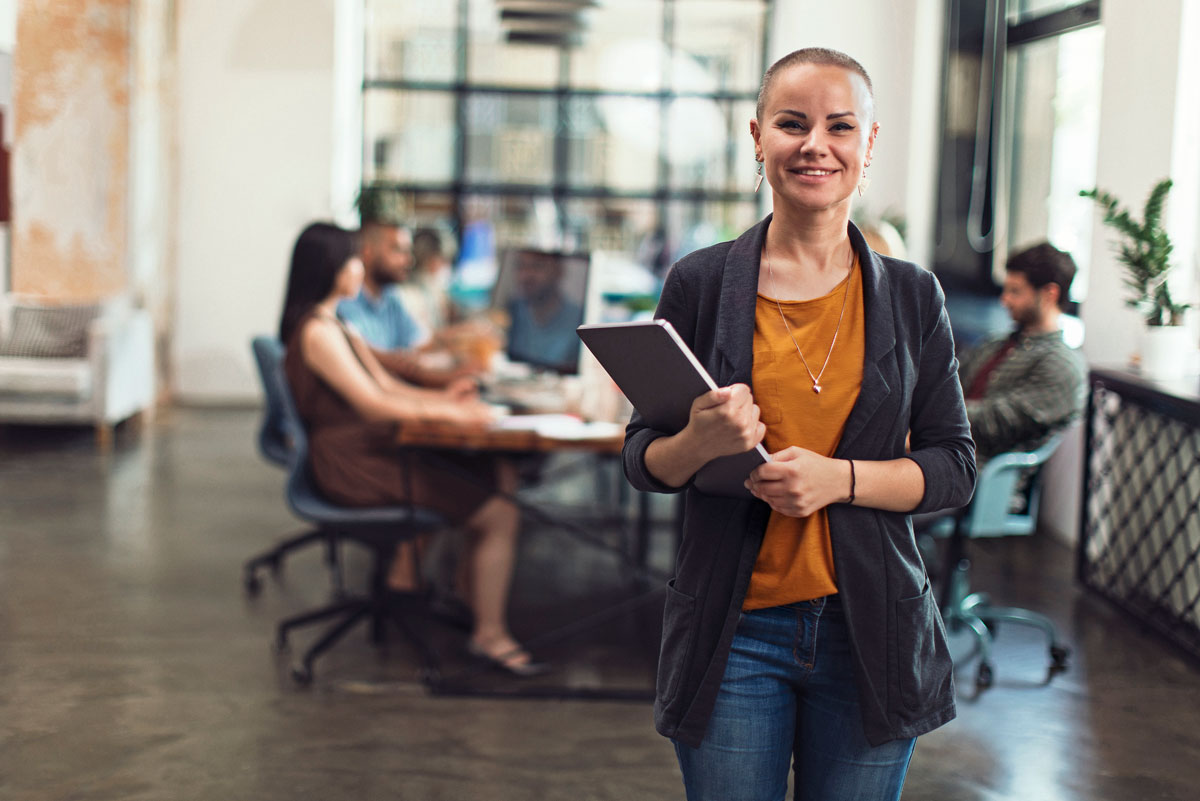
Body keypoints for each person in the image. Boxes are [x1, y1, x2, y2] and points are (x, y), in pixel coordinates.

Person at [622, 48, 976, 800]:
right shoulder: (701, 281)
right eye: (792, 123)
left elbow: (953, 467)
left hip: (871, 630)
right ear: (758, 137)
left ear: (869, 145)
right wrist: (696, 443)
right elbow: (642, 457)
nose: (815, 143)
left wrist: (836, 479)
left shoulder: (914, 296)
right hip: (733, 630)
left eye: (840, 126)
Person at [278, 221, 544, 676]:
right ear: (333, 269)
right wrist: (452, 416)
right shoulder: (318, 333)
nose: (359, 267)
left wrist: (446, 400)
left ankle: (472, 601)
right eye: (352, 259)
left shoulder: (333, 323)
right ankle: (489, 634)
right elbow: (376, 406)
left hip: (363, 449)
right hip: (350, 464)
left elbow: (386, 385)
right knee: (500, 509)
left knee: (496, 476)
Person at [958, 242, 1087, 462]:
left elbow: (994, 421)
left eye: (1015, 291)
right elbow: (946, 384)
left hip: (980, 472)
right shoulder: (994, 344)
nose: (1004, 300)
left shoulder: (1061, 365)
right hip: (943, 449)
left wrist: (931, 419)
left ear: (1049, 294)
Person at [504, 248, 584, 373]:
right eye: (521, 266)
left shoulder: (580, 321)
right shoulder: (513, 311)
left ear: (559, 271)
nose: (526, 276)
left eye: (537, 266)